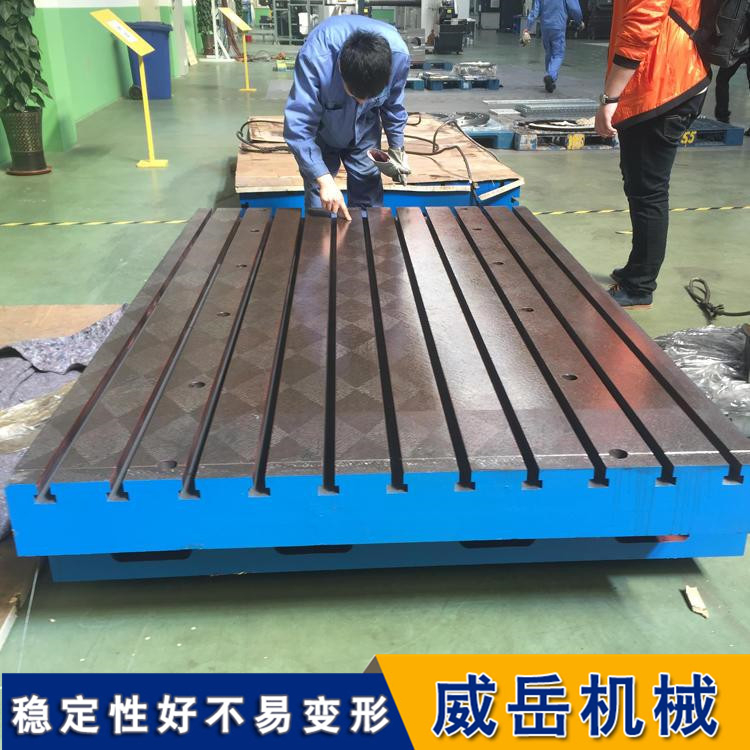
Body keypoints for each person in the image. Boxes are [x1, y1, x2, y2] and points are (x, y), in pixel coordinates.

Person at [595, 0, 710, 308]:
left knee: (648, 191)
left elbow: (641, 26)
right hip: (670, 79)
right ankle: (637, 268)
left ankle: (640, 286)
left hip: (662, 89)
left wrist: (610, 98)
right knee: (640, 184)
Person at [283, 15, 410, 221]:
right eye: (356, 96)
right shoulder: (316, 58)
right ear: (341, 69)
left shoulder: (398, 57)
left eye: (370, 98)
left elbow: (393, 106)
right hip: (323, 130)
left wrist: (397, 149)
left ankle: (367, 239)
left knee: (369, 202)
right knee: (321, 202)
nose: (362, 102)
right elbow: (299, 126)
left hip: (365, 130)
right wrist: (324, 179)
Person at [522, 0, 584, 93]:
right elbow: (574, 9)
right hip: (558, 26)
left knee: (549, 53)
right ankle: (550, 76)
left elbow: (535, 10)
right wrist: (579, 21)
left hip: (545, 27)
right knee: (558, 54)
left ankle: (549, 82)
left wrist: (528, 27)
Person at [714, 52, 750, 133]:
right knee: (722, 80)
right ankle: (722, 118)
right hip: (739, 49)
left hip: (738, 49)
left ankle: (722, 119)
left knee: (722, 79)